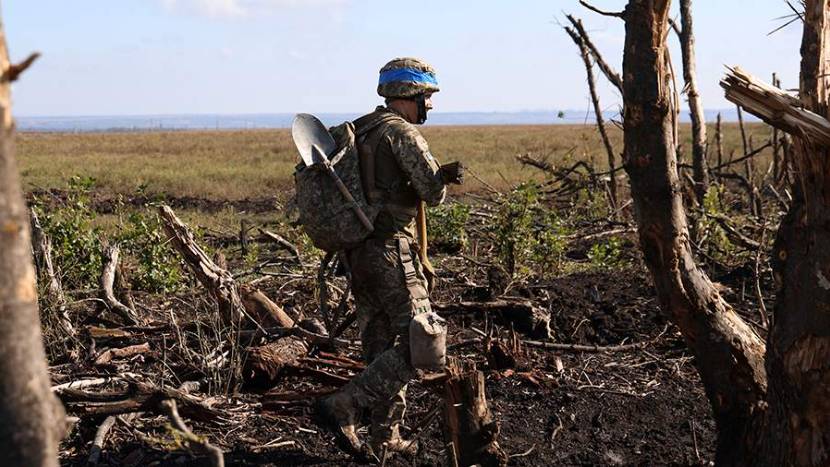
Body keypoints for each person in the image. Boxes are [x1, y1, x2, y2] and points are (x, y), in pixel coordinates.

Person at [316, 57, 463, 460]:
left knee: (380, 345)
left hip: (359, 252)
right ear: (407, 95)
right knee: (423, 343)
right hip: (392, 251)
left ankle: (385, 437)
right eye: (425, 97)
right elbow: (432, 194)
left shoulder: (360, 130)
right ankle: (348, 401)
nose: (429, 106)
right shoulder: (402, 134)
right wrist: (442, 179)